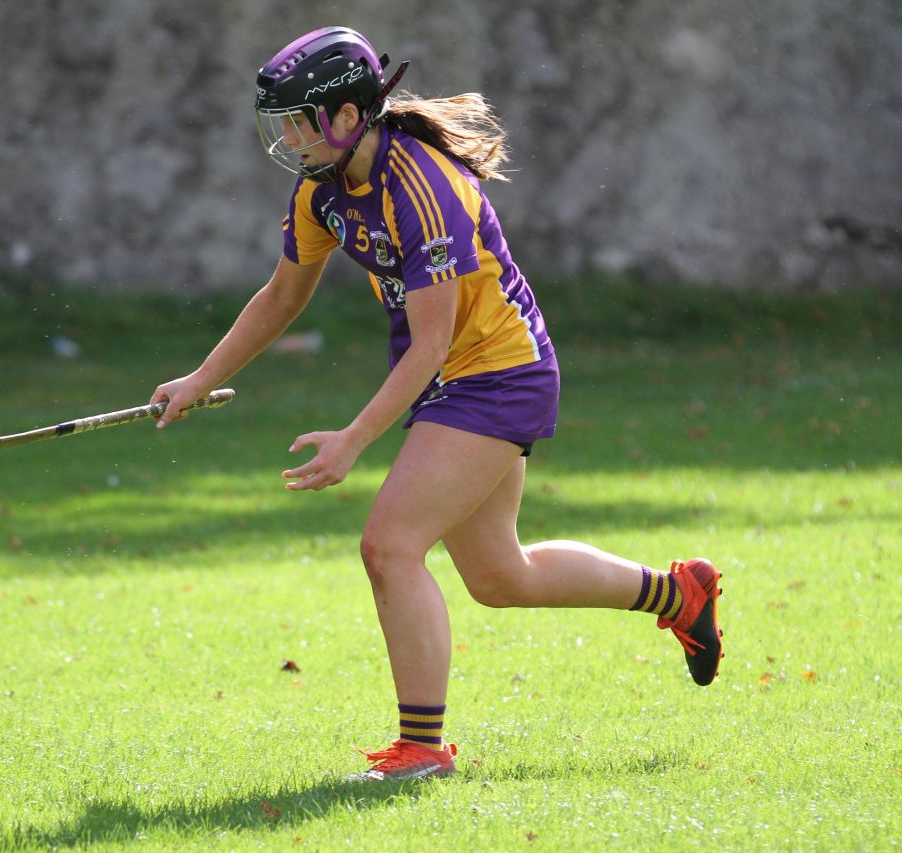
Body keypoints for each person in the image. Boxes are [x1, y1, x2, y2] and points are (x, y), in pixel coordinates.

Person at [151, 26, 723, 782]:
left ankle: (422, 749)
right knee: (501, 576)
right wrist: (200, 376)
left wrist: (355, 438)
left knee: (389, 544)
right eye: (283, 121)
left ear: (349, 115)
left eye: (299, 119)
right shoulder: (323, 190)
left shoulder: (422, 186)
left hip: (498, 373)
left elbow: (429, 343)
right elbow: (283, 294)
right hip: (453, 376)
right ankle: (678, 594)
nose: (288, 137)